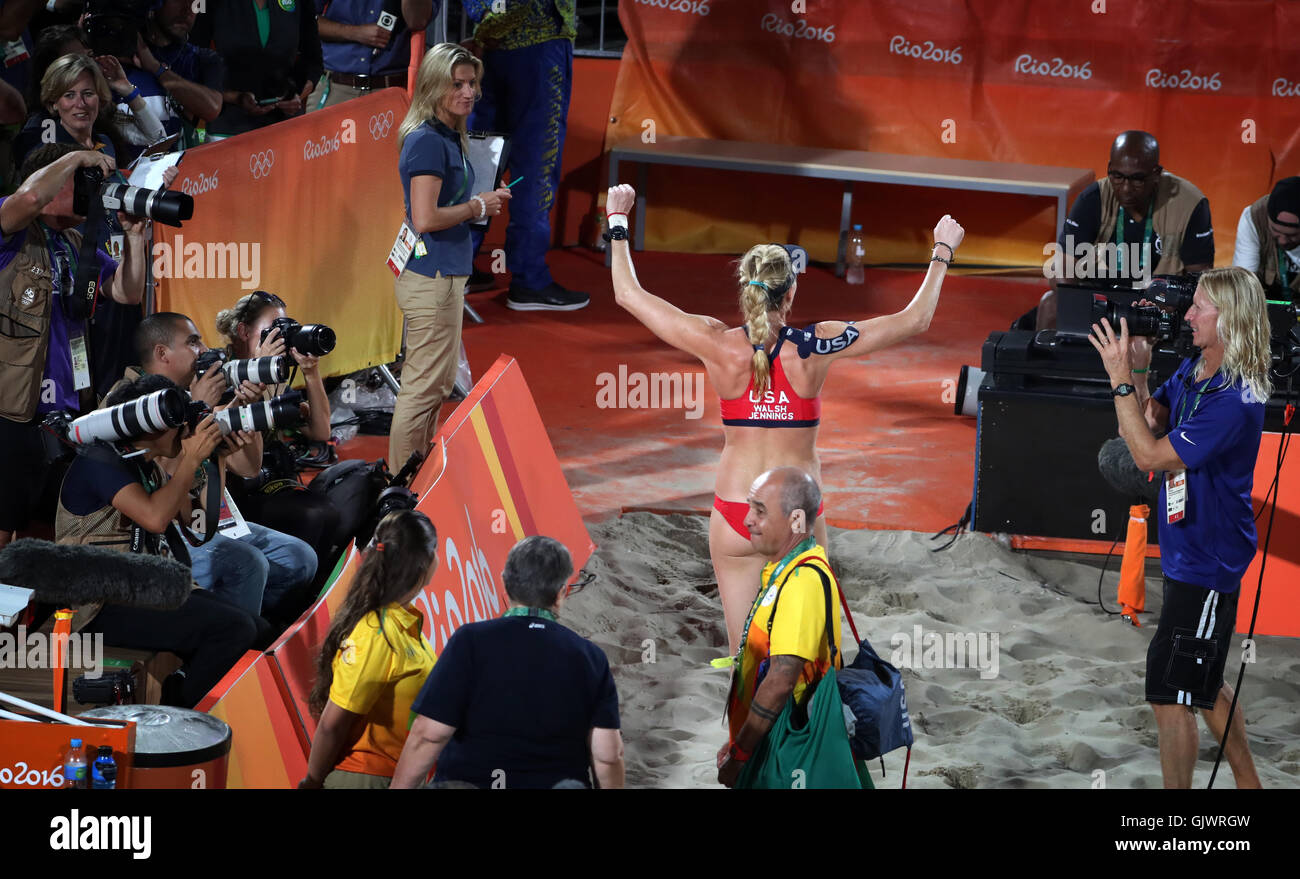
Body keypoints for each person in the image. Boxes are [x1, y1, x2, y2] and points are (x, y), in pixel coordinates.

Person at [605, 182, 963, 653]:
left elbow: (629, 294)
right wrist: (941, 251)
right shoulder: (817, 345)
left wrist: (617, 220)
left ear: (744, 288)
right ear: (791, 292)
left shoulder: (714, 342)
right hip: (795, 518)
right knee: (809, 654)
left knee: (744, 660)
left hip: (737, 513)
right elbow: (914, 320)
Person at [1088, 266, 1269, 789]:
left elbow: (1146, 453)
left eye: (1199, 308)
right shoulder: (1197, 369)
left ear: (1229, 318)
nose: (1186, 315)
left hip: (1209, 561)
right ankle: (1250, 786)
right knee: (1204, 683)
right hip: (1190, 547)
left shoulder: (1232, 402)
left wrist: (1118, 376)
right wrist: (1140, 374)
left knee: (1169, 696)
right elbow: (1149, 421)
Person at [55, 372, 260, 708]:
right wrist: (190, 459)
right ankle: (183, 714)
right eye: (179, 421)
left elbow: (194, 521)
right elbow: (154, 517)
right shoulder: (98, 463)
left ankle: (183, 690)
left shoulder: (144, 464)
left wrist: (216, 457)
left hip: (145, 589)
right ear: (151, 424)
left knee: (255, 626)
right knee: (233, 629)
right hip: (98, 606)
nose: (186, 429)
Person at [126, 311, 319, 626]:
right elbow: (162, 477)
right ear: (162, 353)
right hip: (161, 530)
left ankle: (250, 626)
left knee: (300, 559)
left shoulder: (196, 391)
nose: (203, 349)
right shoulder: (133, 401)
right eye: (192, 342)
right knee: (248, 565)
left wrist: (245, 406)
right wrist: (198, 409)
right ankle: (235, 644)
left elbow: (249, 467)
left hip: (207, 518)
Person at [0, 143, 148, 550]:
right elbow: (29, 198)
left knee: (51, 530)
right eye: (81, 183)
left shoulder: (74, 242)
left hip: (66, 410)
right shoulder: (10, 230)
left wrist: (135, 239)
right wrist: (76, 158)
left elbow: (128, 292)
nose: (90, 192)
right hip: (10, 410)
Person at [391, 536, 624, 789]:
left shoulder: (470, 641)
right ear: (560, 594)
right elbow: (608, 756)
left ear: (504, 583)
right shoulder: (590, 657)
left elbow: (429, 734)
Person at [391, 42, 510, 467]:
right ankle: (397, 490)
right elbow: (424, 218)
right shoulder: (427, 140)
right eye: (456, 84)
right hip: (431, 277)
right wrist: (479, 207)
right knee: (423, 387)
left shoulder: (446, 134)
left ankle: (414, 474)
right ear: (432, 86)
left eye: (472, 83)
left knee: (436, 386)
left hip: (442, 274)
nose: (468, 92)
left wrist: (481, 200)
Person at [717, 466, 848, 789]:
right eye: (750, 507)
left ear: (797, 521)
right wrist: (739, 736)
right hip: (770, 737)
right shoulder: (783, 568)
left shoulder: (802, 582)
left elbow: (780, 681)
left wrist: (741, 754)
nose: (748, 519)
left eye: (760, 511)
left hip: (789, 744)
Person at [214, 290, 348, 587]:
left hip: (273, 481)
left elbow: (320, 431)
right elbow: (239, 456)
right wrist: (256, 381)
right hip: (237, 492)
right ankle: (285, 597)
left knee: (335, 513)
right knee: (314, 514)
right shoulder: (222, 375)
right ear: (243, 331)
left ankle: (311, 591)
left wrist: (311, 372)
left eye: (285, 328)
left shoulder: (276, 376)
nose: (282, 337)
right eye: (273, 328)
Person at [461, 0, 588, 311]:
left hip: (491, 54)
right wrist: (490, 30)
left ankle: (458, 268)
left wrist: (486, 30)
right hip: (538, 51)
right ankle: (528, 279)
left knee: (483, 159)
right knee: (535, 165)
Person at [299, 509, 439, 789]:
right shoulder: (376, 633)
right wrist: (312, 782)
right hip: (366, 779)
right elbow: (332, 724)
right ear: (424, 564)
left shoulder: (403, 625)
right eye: (436, 550)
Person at [1035, 130, 1214, 329]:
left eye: (1137, 179)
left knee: (1207, 316)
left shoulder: (1189, 204)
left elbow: (1201, 278)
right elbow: (1063, 268)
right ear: (1109, 168)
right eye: (1118, 177)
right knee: (1050, 305)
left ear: (1156, 174)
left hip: (1160, 304)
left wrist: (1172, 302)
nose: (1126, 188)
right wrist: (1082, 303)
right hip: (1101, 298)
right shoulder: (1093, 199)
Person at [189, 0, 323, 138]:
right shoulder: (206, 3)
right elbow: (191, 62)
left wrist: (296, 96)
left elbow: (314, 63)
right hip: (228, 131)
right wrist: (234, 97)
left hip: (285, 132)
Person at [308, 0, 434, 111]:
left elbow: (417, 21)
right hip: (335, 89)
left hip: (391, 92)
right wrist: (354, 32)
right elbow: (306, 19)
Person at [1232, 176, 1300, 300]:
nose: (1283, 241)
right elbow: (1242, 284)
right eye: (1275, 231)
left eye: (1292, 236)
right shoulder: (1254, 217)